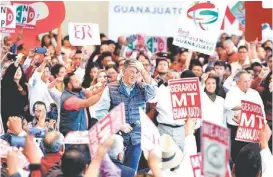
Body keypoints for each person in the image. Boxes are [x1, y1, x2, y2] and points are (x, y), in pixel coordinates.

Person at [98, 59, 156, 171]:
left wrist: (143, 70)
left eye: (137, 72)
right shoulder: (110, 88)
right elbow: (100, 114)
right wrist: (117, 125)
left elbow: (154, 92)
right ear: (123, 71)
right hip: (116, 139)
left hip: (136, 139)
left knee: (131, 172)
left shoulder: (143, 88)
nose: (134, 75)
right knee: (114, 171)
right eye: (132, 72)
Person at [224, 70, 265, 161]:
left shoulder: (254, 93)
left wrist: (263, 126)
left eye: (249, 81)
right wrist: (246, 107)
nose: (248, 83)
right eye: (245, 81)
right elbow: (227, 105)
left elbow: (261, 110)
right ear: (238, 82)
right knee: (237, 156)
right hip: (236, 129)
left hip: (252, 129)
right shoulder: (232, 92)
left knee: (251, 156)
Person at [1, 59, 28, 131]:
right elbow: (9, 74)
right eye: (16, 70)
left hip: (20, 118)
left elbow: (25, 103)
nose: (18, 72)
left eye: (19, 70)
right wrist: (16, 63)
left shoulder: (24, 86)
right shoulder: (6, 83)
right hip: (7, 117)